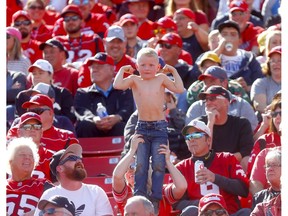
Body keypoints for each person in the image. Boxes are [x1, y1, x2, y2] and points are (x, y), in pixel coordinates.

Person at [113, 47, 184, 211]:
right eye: (143, 65)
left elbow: (179, 89)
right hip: (142, 126)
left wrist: (172, 70)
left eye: (151, 65)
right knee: (141, 163)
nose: (147, 68)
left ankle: (156, 197)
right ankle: (140, 194)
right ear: (137, 66)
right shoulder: (134, 80)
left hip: (159, 127)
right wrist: (123, 70)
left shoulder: (161, 78)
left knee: (159, 163)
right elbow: (117, 85)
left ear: (158, 67)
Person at [173, 119, 250, 215]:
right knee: (189, 211)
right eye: (188, 137)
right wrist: (205, 204)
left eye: (197, 135)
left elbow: (244, 189)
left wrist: (215, 178)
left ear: (208, 140)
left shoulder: (227, 158)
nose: (191, 140)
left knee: (246, 213)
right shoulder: (181, 168)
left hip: (227, 213)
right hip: (200, 213)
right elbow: (176, 203)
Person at [112, 134, 187, 215]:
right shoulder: (126, 194)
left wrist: (168, 162)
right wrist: (131, 151)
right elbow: (117, 177)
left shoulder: (161, 192)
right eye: (128, 167)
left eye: (137, 166)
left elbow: (182, 187)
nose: (132, 170)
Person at [34, 144, 113, 215]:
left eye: (79, 158)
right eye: (72, 158)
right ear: (60, 168)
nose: (78, 160)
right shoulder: (49, 195)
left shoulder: (96, 191)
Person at [74, 52, 135, 137]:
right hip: (92, 131)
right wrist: (93, 119)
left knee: (123, 126)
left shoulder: (124, 90)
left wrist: (118, 117)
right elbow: (81, 111)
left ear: (111, 70)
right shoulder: (83, 92)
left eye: (99, 66)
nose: (94, 70)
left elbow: (128, 109)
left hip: (117, 132)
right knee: (85, 125)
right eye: (92, 67)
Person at [196, 85, 254, 171]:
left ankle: (244, 184)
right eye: (206, 100)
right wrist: (210, 122)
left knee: (246, 160)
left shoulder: (241, 123)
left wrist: (220, 162)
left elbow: (245, 152)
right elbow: (202, 153)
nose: (208, 103)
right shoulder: (199, 123)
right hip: (206, 168)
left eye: (212, 99)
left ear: (226, 102)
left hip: (232, 166)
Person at [186, 66, 258, 132]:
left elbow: (251, 132)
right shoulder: (197, 107)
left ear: (224, 83)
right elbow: (191, 136)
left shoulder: (241, 104)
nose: (207, 86)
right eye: (205, 83)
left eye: (211, 82)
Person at [9, 94, 78, 152]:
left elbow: (74, 164)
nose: (33, 114)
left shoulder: (66, 137)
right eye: (30, 111)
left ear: (50, 113)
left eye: (37, 111)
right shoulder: (17, 131)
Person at [15, 59, 76, 124]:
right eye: (34, 74)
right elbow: (19, 121)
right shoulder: (22, 96)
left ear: (51, 75)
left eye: (41, 73)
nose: (37, 76)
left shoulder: (63, 93)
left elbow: (70, 118)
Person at [6, 137, 54, 215]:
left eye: (31, 155)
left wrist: (37, 213)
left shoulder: (43, 184)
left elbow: (59, 206)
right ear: (11, 161)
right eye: (22, 154)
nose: (27, 157)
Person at [214, 20, 263, 93]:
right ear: (218, 39)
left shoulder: (249, 58)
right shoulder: (209, 56)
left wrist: (246, 88)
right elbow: (198, 75)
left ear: (240, 41)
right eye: (224, 34)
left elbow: (261, 83)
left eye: (233, 34)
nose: (228, 38)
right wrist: (219, 49)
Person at [186, 51, 251, 106]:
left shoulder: (235, 87)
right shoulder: (194, 90)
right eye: (205, 67)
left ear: (221, 67)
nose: (209, 70)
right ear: (200, 69)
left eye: (212, 66)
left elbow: (246, 108)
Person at [247, 96, 281, 178]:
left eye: (282, 113)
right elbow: (252, 176)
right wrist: (265, 125)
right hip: (269, 188)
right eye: (274, 114)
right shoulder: (264, 140)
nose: (278, 117)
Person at [14, 112, 54, 181]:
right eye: (28, 127)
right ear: (19, 132)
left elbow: (58, 187)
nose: (33, 130)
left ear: (41, 132)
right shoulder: (6, 156)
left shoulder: (52, 158)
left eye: (37, 127)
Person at [250, 46, 281, 114]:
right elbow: (260, 107)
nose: (276, 64)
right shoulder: (260, 83)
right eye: (273, 61)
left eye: (280, 60)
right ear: (268, 64)